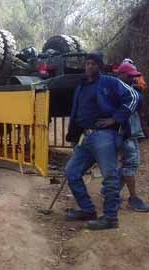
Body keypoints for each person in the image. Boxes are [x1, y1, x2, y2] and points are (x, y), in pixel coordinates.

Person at [65, 53, 139, 230]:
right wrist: (73, 135)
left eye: (93, 64)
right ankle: (88, 210)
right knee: (71, 172)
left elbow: (134, 97)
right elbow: (77, 112)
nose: (89, 67)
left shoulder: (109, 82)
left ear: (100, 66)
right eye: (87, 64)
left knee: (110, 177)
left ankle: (110, 218)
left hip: (104, 136)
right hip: (86, 137)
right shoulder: (81, 86)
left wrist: (115, 118)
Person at [115, 62, 149, 212]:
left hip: (130, 133)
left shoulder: (127, 89)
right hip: (125, 133)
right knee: (131, 164)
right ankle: (133, 198)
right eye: (130, 76)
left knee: (129, 164)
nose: (133, 79)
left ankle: (111, 190)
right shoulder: (120, 91)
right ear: (121, 75)